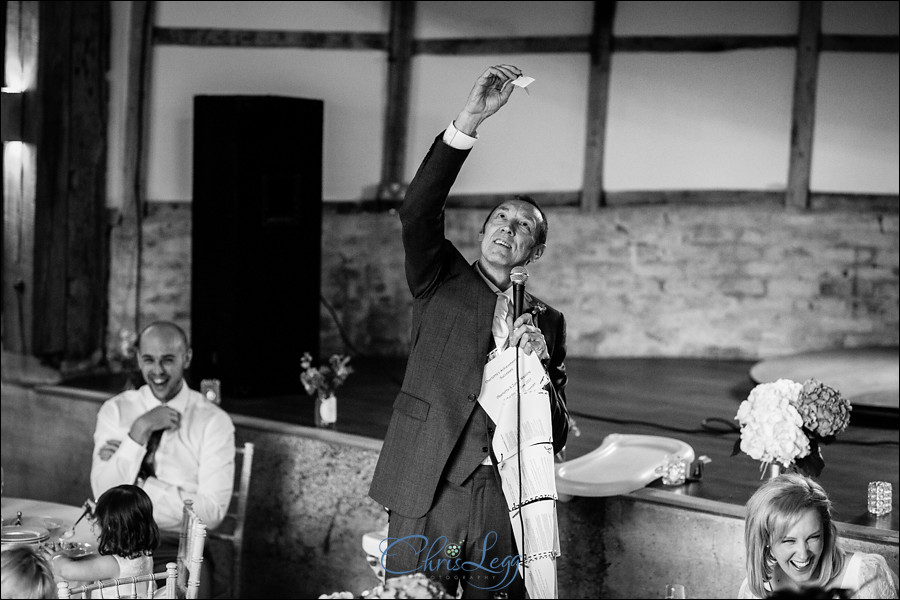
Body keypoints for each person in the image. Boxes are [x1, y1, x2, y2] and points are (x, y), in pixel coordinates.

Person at [368, 65, 569, 599]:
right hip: (426, 479)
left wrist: (543, 367)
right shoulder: (440, 276)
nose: (507, 227)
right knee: (411, 595)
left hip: (503, 490)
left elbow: (558, 432)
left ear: (536, 251)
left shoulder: (548, 321)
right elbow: (416, 210)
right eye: (500, 218)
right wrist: (470, 120)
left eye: (523, 224)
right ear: (482, 234)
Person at [90, 320, 235, 592]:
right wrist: (139, 430)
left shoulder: (214, 421)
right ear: (138, 359)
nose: (157, 371)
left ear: (187, 357)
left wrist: (141, 485)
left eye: (168, 360)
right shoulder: (116, 411)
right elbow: (102, 493)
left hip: (177, 547)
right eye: (149, 359)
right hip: (113, 543)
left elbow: (212, 512)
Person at [740, 473, 899, 599]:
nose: (803, 554)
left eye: (813, 537)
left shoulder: (865, 573)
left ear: (826, 532)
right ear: (765, 540)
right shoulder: (753, 591)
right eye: (789, 541)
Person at [50, 484, 159, 598]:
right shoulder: (144, 552)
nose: (94, 522)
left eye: (99, 519)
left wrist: (56, 556)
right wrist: (102, 517)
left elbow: (66, 570)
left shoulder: (112, 564)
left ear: (111, 527)